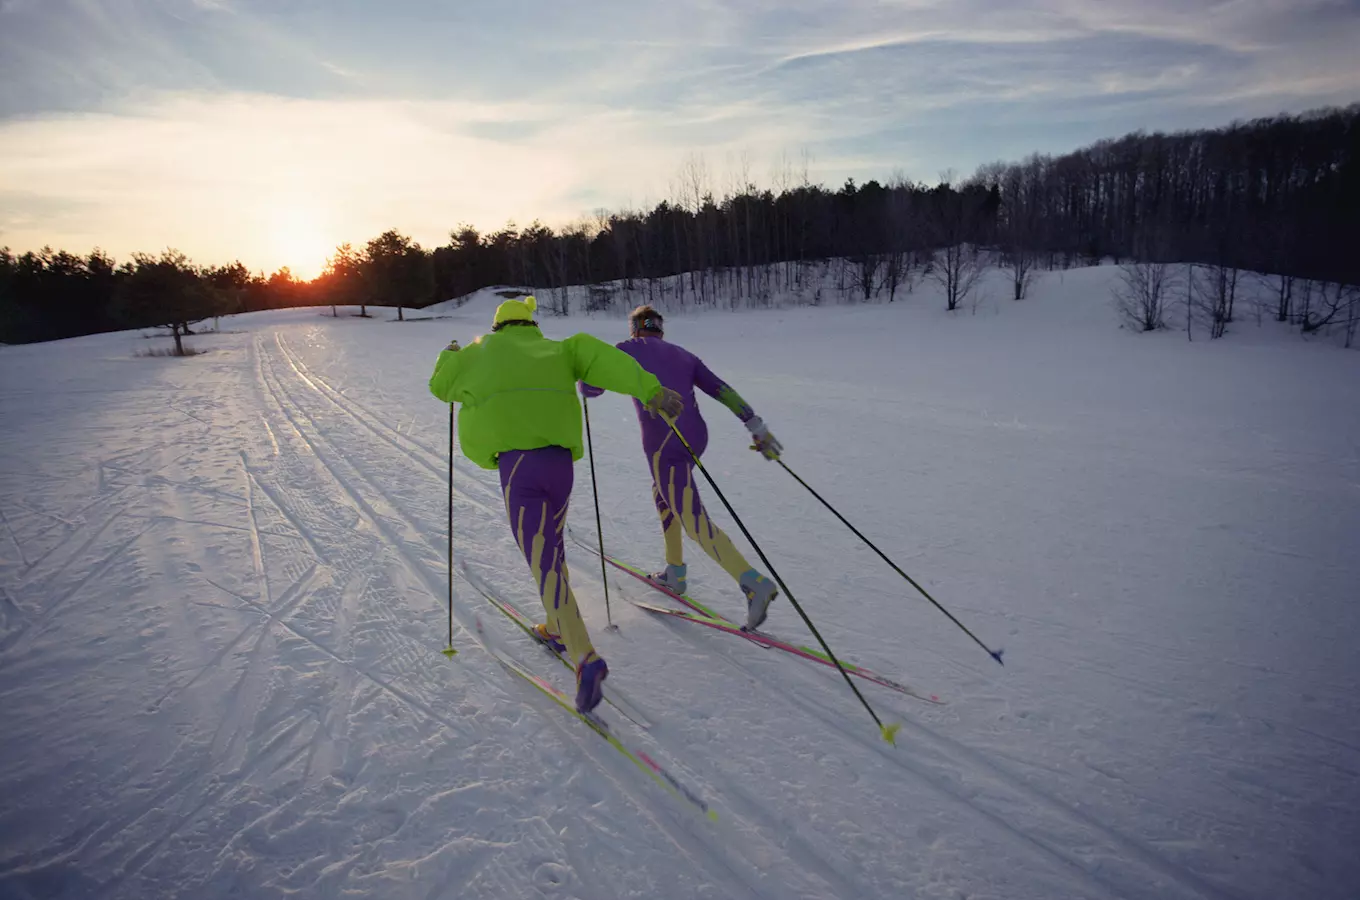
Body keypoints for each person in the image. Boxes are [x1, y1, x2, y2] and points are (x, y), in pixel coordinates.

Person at [429, 295, 683, 713]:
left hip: (519, 467)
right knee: (553, 547)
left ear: (498, 326)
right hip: (560, 466)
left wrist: (449, 354)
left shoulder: (478, 352)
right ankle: (555, 627)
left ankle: (585, 655)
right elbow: (605, 360)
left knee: (542, 557)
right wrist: (650, 390)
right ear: (530, 325)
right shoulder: (560, 348)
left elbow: (442, 388)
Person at [580, 305, 783, 630]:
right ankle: (675, 572)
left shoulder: (626, 349)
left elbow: (592, 388)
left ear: (635, 329)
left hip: (665, 441)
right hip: (696, 437)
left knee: (692, 518)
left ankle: (753, 582)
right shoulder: (684, 354)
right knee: (664, 494)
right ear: (660, 329)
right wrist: (755, 426)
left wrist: (585, 380)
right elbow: (721, 389)